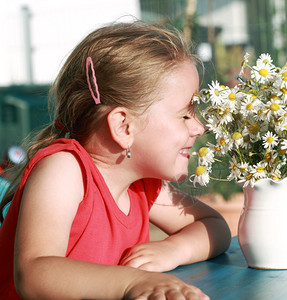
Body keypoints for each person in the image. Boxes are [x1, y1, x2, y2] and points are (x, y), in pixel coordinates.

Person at [0, 20, 231, 299]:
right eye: (185, 114)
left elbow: (214, 226)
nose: (199, 127)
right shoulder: (64, 170)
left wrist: (174, 250)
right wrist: (132, 282)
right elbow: (34, 272)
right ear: (124, 127)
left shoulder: (142, 185)